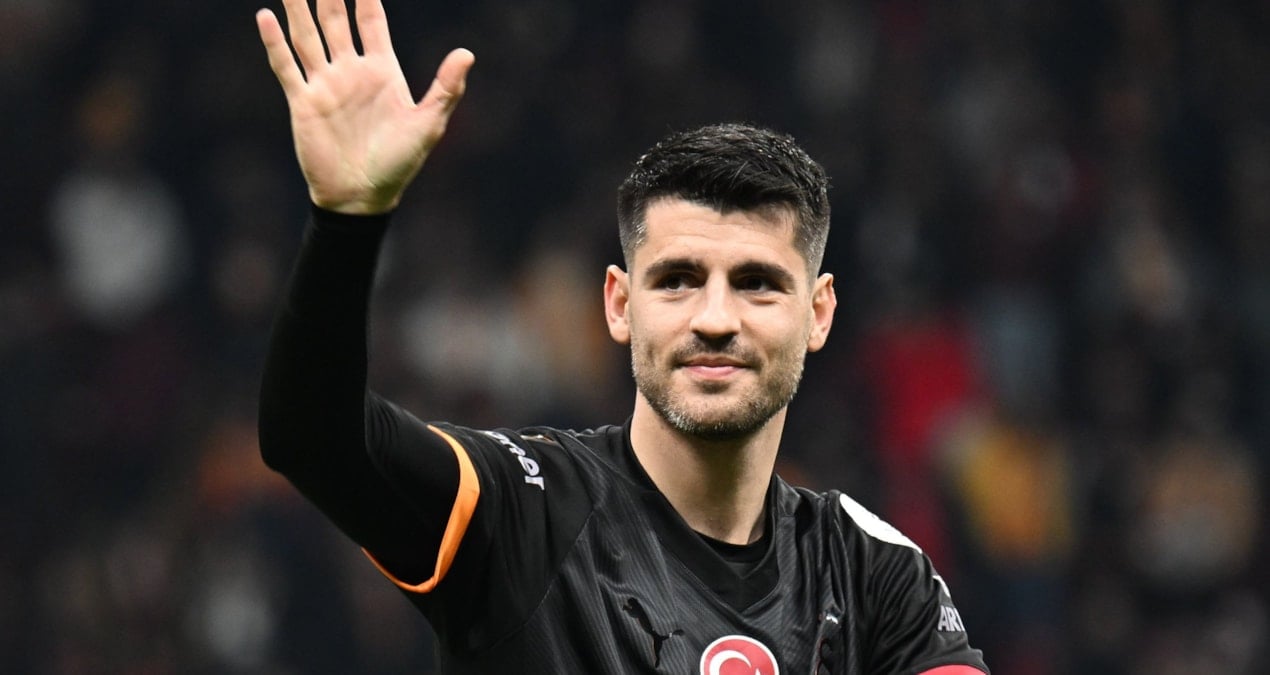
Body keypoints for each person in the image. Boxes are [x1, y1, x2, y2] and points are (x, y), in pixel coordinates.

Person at [254, 0, 990, 672]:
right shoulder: (522, 513)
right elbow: (313, 438)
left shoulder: (873, 574)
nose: (715, 318)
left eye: (757, 283)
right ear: (619, 304)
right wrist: (346, 221)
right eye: (677, 280)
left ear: (819, 312)